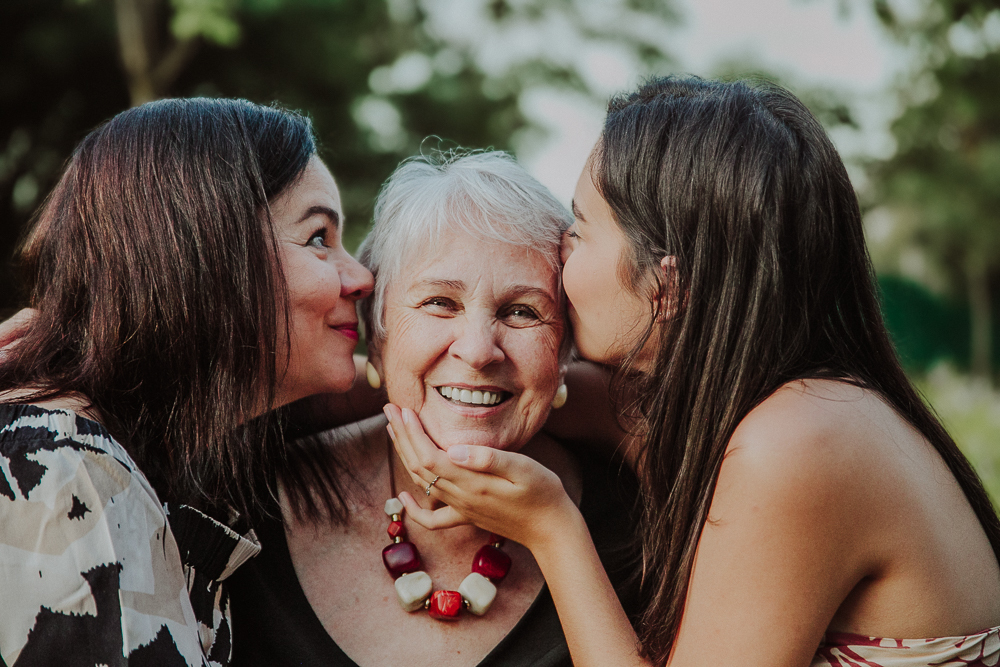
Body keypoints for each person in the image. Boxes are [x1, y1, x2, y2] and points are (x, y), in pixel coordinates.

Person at [387, 77, 1000, 666]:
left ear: (669, 284)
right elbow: (558, 396)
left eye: (580, 230)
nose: (559, 254)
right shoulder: (757, 403)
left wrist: (551, 528)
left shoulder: (796, 444)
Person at [226, 150, 641, 667]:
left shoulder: (639, 529)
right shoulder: (246, 500)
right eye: (439, 302)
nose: (478, 349)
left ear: (563, 358)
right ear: (374, 335)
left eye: (522, 311)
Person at [0, 98, 374, 666]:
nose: (361, 276)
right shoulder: (68, 478)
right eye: (319, 237)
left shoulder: (110, 449)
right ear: (206, 254)